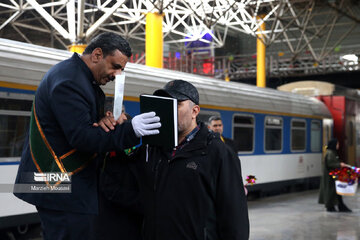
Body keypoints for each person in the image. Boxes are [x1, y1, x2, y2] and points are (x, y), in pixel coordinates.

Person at [13, 32, 161, 240]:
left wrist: (105, 121)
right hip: (60, 185)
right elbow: (82, 137)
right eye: (115, 66)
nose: (117, 75)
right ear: (97, 54)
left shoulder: (79, 78)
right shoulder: (70, 82)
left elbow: (85, 126)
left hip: (63, 184)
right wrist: (131, 130)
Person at [135, 80, 249, 240]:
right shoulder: (152, 149)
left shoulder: (217, 151)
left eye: (177, 104)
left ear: (195, 111)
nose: (169, 110)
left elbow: (234, 214)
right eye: (166, 104)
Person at [93, 107, 143, 240]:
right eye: (121, 112)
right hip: (115, 224)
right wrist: (144, 204)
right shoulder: (105, 147)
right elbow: (110, 188)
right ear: (109, 114)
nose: (126, 117)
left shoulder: (121, 144)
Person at [318, 138, 352, 212]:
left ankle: (338, 205)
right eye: (337, 144)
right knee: (331, 191)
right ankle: (330, 207)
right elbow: (331, 164)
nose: (338, 145)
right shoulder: (330, 153)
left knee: (336, 191)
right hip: (330, 177)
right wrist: (339, 164)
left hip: (333, 176)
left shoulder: (332, 152)